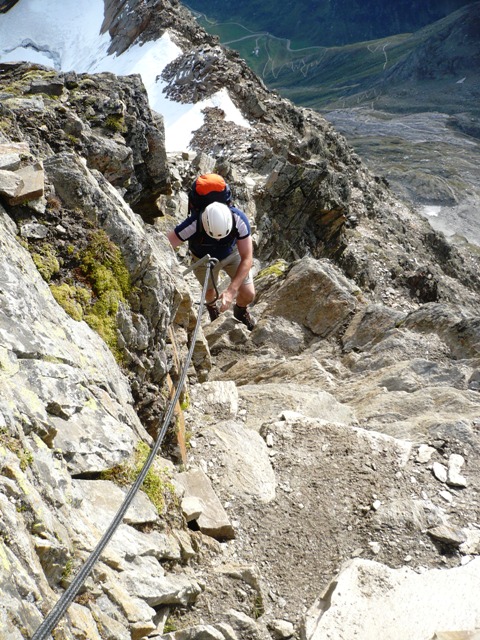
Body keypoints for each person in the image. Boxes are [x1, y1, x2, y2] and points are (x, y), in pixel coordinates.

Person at [167, 173, 256, 331]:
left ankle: (241, 310)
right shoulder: (194, 223)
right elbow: (164, 245)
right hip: (203, 259)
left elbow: (247, 258)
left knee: (248, 294)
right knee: (210, 293)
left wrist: (231, 290)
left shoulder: (239, 219)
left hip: (232, 253)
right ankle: (212, 308)